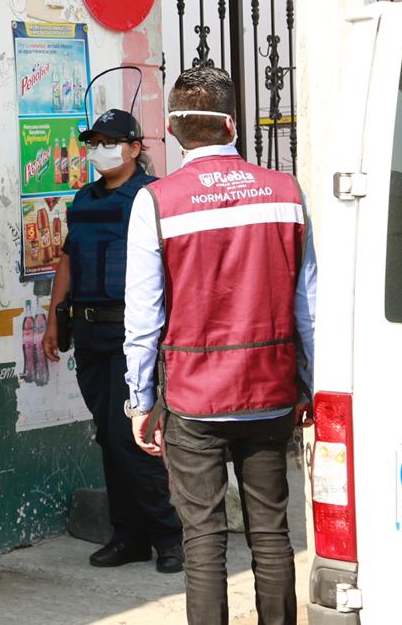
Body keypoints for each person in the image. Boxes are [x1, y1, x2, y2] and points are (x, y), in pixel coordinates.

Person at [123, 66, 316, 625]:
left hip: (193, 400)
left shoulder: (156, 201)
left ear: (174, 129)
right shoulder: (285, 192)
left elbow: (143, 317)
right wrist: (311, 382)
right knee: (272, 534)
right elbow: (309, 306)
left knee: (203, 543)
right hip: (271, 391)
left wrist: (140, 399)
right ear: (232, 123)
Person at [40, 109, 183, 574]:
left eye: (109, 141)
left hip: (132, 334)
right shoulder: (83, 198)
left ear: (135, 148)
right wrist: (52, 321)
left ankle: (171, 536)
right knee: (108, 436)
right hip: (89, 332)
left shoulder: (150, 197)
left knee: (131, 436)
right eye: (93, 141)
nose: (99, 150)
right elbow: (66, 261)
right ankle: (129, 536)